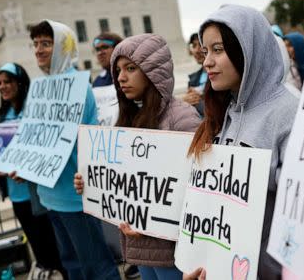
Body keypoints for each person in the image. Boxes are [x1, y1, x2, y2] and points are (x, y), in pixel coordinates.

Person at [184, 5, 299, 280]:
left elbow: (299, 213)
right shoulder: (225, 110)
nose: (206, 62)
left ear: (249, 49)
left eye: (218, 50)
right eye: (205, 50)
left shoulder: (291, 113)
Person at [74, 33, 201, 280]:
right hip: (138, 249)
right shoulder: (127, 120)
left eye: (130, 68)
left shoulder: (183, 119)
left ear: (153, 70)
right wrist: (91, 183)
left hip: (172, 254)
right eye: (118, 70)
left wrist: (151, 224)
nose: (121, 77)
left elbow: (198, 192)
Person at [20, 20, 121, 280]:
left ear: (64, 47)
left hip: (76, 197)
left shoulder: (79, 88)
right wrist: (23, 163)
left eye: (46, 43)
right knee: (73, 265)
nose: (38, 50)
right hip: (50, 194)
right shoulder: (40, 89)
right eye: (36, 44)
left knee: (97, 267)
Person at [0, 63, 65, 280]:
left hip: (36, 191)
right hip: (16, 193)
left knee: (52, 244)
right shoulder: (3, 113)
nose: (3, 86)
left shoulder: (34, 108)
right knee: (37, 244)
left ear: (19, 83)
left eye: (7, 81)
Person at [90, 32, 140, 279]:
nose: (99, 51)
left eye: (104, 47)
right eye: (96, 48)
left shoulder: (128, 80)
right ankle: (131, 258)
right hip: (108, 157)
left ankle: (138, 261)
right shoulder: (95, 83)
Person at [182, 33, 207, 117]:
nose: (196, 50)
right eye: (194, 45)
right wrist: (185, 102)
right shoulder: (192, 79)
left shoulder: (222, 75)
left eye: (200, 45)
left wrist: (202, 98)